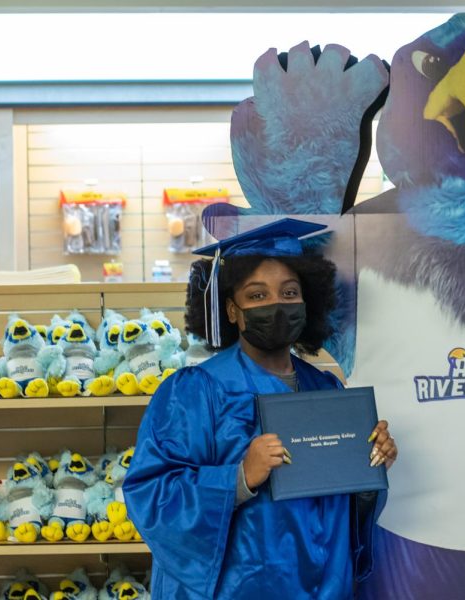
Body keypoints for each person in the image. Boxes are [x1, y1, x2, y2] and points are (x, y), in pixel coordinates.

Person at [123, 218, 398, 599]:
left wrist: (369, 471)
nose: (277, 305)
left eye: (289, 293)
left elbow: (340, 509)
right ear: (232, 310)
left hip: (324, 586)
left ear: (307, 301)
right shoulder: (196, 392)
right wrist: (239, 478)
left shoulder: (327, 389)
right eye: (257, 296)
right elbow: (151, 494)